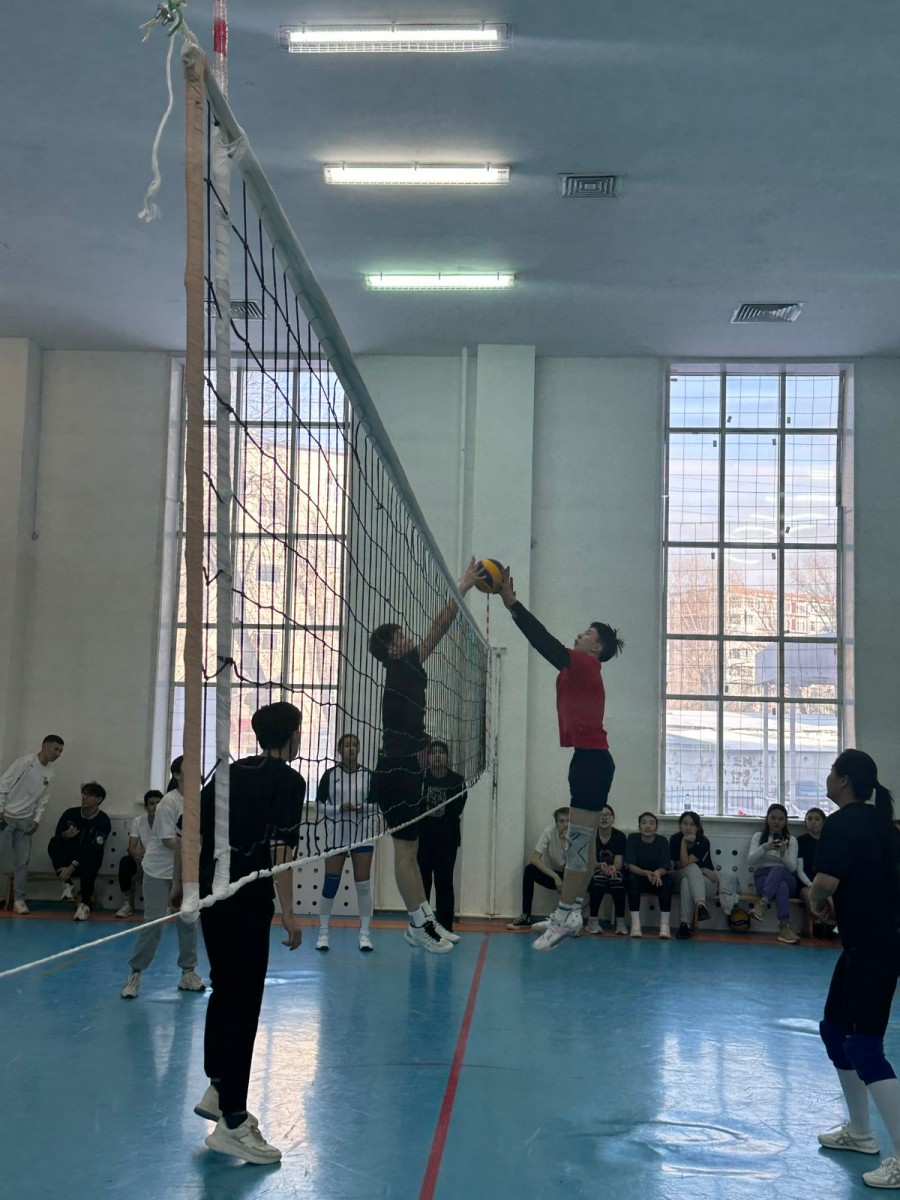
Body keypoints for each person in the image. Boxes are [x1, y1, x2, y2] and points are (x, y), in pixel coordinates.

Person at [188, 701, 306, 1166]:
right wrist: (290, 913)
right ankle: (233, 1123)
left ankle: (218, 1088)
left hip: (211, 896)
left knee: (224, 990)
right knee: (244, 1003)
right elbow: (280, 852)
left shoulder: (226, 773)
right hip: (246, 899)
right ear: (292, 735)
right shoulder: (289, 781)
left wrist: (186, 887)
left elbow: (193, 832)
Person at [498, 567, 623, 952]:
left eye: (586, 633)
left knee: (578, 846)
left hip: (592, 763)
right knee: (583, 845)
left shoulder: (585, 665)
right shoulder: (582, 668)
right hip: (589, 760)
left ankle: (565, 914)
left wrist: (512, 604)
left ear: (596, 647)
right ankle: (571, 912)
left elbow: (545, 643)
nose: (579, 635)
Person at [368, 557, 480, 954]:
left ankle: (425, 920)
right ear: (392, 648)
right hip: (396, 772)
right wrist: (463, 586)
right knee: (404, 853)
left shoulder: (406, 670)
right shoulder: (403, 667)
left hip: (404, 770)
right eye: (401, 634)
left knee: (410, 852)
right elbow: (438, 627)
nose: (408, 636)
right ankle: (417, 925)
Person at [810, 749, 900, 1190]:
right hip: (862, 944)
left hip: (877, 947)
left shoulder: (842, 822)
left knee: (864, 1047)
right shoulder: (883, 820)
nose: (828, 778)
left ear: (844, 780)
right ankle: (861, 1133)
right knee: (834, 1030)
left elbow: (825, 882)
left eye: (832, 772)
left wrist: (817, 901)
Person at [120, 759, 205, 997]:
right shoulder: (169, 802)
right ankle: (135, 974)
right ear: (177, 774)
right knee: (154, 924)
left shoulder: (199, 801)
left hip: (187, 872)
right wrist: (195, 851)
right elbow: (169, 841)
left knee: (189, 921)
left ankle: (188, 973)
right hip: (159, 872)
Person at [314, 732, 376, 952]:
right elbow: (318, 805)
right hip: (336, 835)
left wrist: (361, 807)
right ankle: (323, 933)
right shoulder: (330, 775)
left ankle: (365, 934)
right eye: (347, 745)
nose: (351, 748)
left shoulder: (368, 775)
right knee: (330, 883)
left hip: (362, 834)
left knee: (363, 885)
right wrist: (340, 808)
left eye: (355, 745)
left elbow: (377, 805)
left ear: (359, 749)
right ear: (340, 749)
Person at [0, 734, 65, 914]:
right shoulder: (24, 763)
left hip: (26, 821)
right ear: (45, 746)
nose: (58, 754)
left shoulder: (50, 772)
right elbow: (3, 785)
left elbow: (43, 800)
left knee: (23, 861)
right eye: (56, 749)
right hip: (6, 817)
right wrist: (0, 809)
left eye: (61, 751)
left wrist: (37, 819)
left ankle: (19, 900)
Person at [416, 740, 468, 937]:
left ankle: (446, 926)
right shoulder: (421, 778)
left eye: (441, 752)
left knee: (444, 882)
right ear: (428, 757)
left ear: (447, 757)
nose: (437, 755)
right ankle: (423, 925)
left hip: (447, 840)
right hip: (424, 839)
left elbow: (458, 808)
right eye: (434, 752)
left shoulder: (456, 780)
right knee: (422, 882)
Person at [47, 781, 111, 920]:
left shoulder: (103, 820)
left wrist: (72, 866)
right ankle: (67, 884)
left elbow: (93, 847)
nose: (84, 797)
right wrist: (65, 835)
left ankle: (85, 903)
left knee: (92, 856)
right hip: (68, 860)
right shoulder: (70, 814)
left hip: (87, 862)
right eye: (83, 794)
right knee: (54, 842)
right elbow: (58, 835)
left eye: (89, 795)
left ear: (99, 799)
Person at [507, 807, 570, 930]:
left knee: (589, 877)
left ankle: (578, 919)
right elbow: (534, 859)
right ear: (556, 823)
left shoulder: (577, 836)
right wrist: (555, 877)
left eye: (568, 821)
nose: (565, 824)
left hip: (573, 876)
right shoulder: (549, 832)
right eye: (562, 821)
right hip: (555, 875)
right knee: (529, 870)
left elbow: (580, 864)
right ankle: (526, 916)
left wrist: (566, 841)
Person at [748, 803, 800, 944]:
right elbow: (751, 860)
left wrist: (782, 854)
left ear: (786, 821)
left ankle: (762, 904)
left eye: (780, 819)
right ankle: (784, 927)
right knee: (781, 886)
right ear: (767, 819)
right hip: (763, 877)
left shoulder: (791, 840)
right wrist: (764, 847)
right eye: (773, 818)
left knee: (779, 870)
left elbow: (792, 868)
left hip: (787, 876)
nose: (776, 822)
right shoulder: (759, 836)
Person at [670, 810, 718, 940]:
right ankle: (700, 905)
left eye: (692, 824)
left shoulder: (703, 841)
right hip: (679, 878)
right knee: (691, 868)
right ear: (680, 826)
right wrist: (683, 843)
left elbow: (686, 863)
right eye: (685, 824)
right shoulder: (675, 840)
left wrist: (701, 871)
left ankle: (684, 925)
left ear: (698, 827)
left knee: (687, 882)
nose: (688, 827)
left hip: (706, 884)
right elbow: (682, 864)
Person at [116, 789, 163, 918]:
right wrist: (137, 854)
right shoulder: (138, 821)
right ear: (146, 807)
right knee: (126, 861)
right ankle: (127, 904)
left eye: (159, 803)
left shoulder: (169, 821)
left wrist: (149, 855)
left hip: (163, 863)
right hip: (143, 862)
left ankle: (166, 906)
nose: (155, 807)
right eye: (152, 803)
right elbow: (132, 848)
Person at [625, 811, 673, 938]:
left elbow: (665, 866)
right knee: (632, 882)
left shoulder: (662, 841)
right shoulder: (632, 838)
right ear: (639, 826)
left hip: (656, 877)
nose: (647, 826)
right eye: (644, 823)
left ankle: (664, 925)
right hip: (639, 875)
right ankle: (635, 924)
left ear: (656, 827)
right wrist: (644, 872)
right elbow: (630, 865)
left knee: (666, 884)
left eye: (651, 823)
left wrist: (657, 872)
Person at [586, 804, 627, 935]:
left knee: (617, 878)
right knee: (599, 877)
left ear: (613, 818)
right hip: (595, 869)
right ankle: (592, 921)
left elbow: (619, 862)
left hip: (614, 869)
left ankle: (620, 921)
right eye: (600, 815)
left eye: (607, 815)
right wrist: (600, 866)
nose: (604, 818)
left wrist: (613, 868)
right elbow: (590, 862)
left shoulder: (620, 836)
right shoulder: (590, 835)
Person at [796, 806, 834, 938]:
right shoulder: (801, 841)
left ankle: (830, 923)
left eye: (817, 819)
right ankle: (817, 922)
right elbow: (799, 870)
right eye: (810, 819)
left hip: (826, 882)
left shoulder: (830, 842)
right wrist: (811, 885)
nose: (813, 822)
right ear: (805, 822)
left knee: (833, 899)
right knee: (809, 896)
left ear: (823, 822)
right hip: (806, 883)